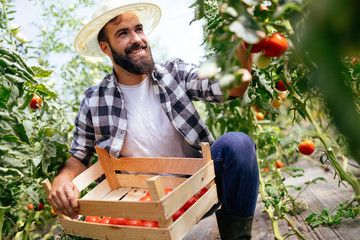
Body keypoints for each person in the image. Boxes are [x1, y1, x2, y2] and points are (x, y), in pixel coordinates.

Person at [48, 1, 259, 239]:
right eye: (123, 33)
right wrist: (62, 180)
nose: (137, 38)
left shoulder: (174, 73)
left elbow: (233, 87)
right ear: (106, 48)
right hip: (142, 209)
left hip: (197, 190)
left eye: (138, 29)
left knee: (238, 145)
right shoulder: (95, 100)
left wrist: (245, 42)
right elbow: (79, 156)